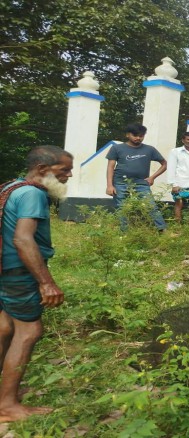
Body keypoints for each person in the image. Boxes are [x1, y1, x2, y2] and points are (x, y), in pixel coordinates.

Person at [0, 145, 71, 422]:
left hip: (5, 272)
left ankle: (5, 392)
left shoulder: (12, 187)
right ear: (43, 170)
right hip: (19, 273)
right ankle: (6, 406)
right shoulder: (32, 193)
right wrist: (46, 283)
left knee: (5, 327)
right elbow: (23, 239)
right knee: (29, 332)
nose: (69, 175)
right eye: (63, 170)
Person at [105, 123, 167, 232]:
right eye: (135, 135)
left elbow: (164, 164)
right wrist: (109, 185)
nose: (138, 138)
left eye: (141, 136)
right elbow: (110, 167)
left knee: (150, 206)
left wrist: (152, 177)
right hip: (120, 183)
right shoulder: (117, 148)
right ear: (127, 135)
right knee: (122, 208)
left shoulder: (149, 149)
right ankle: (125, 232)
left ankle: (162, 230)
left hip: (141, 183)